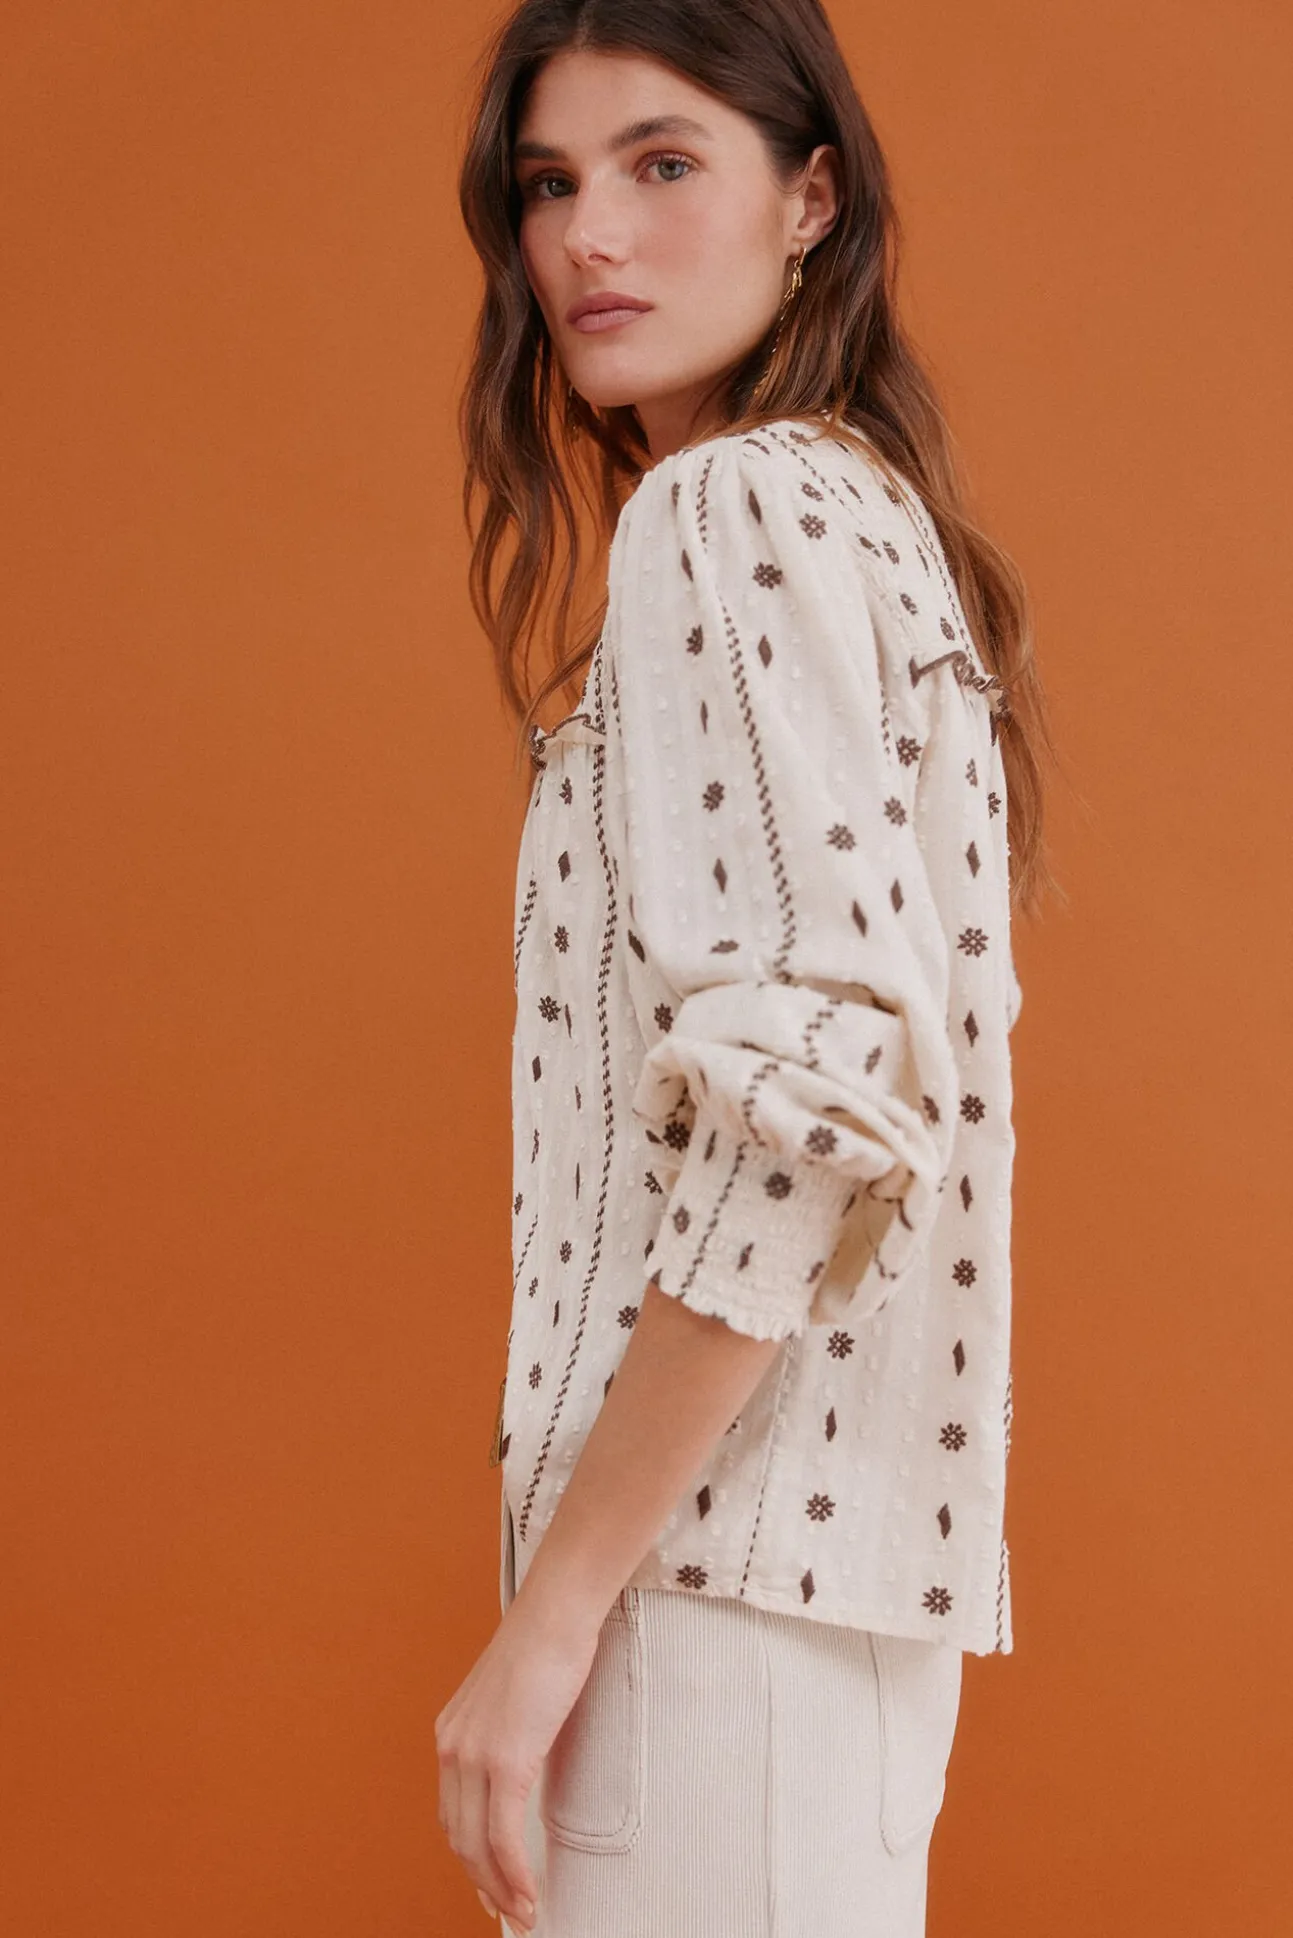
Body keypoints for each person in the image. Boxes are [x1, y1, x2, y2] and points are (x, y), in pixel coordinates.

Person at [438, 2, 1059, 1932]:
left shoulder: (728, 510)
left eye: (663, 163)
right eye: (551, 183)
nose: (589, 237)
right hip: (825, 1614)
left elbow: (809, 1118)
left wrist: (553, 1613)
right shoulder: (864, 515)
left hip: (701, 1603)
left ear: (813, 199)